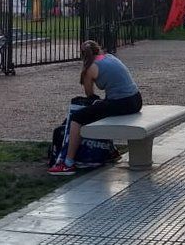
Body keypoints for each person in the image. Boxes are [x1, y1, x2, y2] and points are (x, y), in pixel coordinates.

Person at [49, 41, 143, 176]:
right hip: (136, 99)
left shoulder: (90, 68)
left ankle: (68, 163)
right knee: (101, 110)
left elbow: (89, 94)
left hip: (121, 102)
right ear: (98, 49)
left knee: (78, 118)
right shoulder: (110, 57)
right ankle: (110, 151)